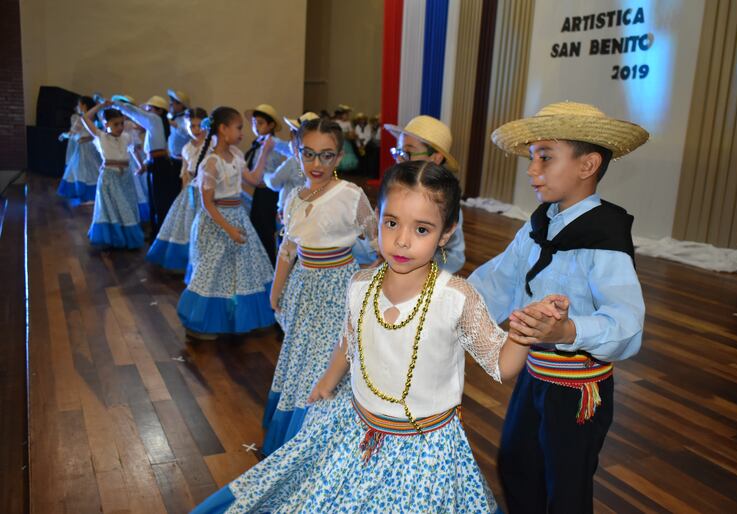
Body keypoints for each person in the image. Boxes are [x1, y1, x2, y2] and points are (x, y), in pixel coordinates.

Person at [190, 161, 540, 514]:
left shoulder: (456, 297)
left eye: (421, 229)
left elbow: (501, 365)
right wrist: (328, 381)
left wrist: (524, 333)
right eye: (391, 223)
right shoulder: (359, 285)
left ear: (445, 233)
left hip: (425, 453)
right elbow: (351, 339)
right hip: (358, 430)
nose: (402, 240)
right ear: (378, 216)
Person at [468, 101, 649, 514]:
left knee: (565, 488)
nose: (533, 170)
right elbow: (496, 281)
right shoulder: (538, 226)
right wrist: (441, 301)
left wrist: (567, 332)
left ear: (588, 166)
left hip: (578, 390)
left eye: (545, 157)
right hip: (534, 376)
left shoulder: (605, 237)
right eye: (533, 158)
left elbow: (628, 324)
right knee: (516, 465)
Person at [261, 118, 378, 455]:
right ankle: (297, 428)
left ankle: (322, 434)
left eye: (326, 156)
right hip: (303, 288)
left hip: (337, 289)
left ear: (339, 158)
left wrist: (368, 274)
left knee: (327, 359)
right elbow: (288, 248)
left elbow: (375, 241)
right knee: (300, 354)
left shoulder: (350, 195)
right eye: (309, 154)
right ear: (297, 153)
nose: (317, 164)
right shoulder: (293, 198)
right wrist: (276, 290)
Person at [177, 107, 275, 338]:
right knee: (211, 272)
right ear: (222, 129)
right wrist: (228, 228)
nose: (242, 132)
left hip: (237, 217)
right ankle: (198, 323)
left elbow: (254, 178)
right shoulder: (210, 163)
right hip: (217, 223)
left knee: (238, 272)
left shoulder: (237, 156)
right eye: (238, 127)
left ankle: (232, 318)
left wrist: (264, 153)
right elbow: (208, 203)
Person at [384, 115, 466, 273]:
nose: (400, 159)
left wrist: (420, 267)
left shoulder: (444, 205)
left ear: (435, 158)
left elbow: (455, 257)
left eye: (407, 153)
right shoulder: (393, 194)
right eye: (398, 151)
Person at [146, 107, 208, 271]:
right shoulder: (187, 148)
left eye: (199, 125)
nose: (196, 130)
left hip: (208, 191)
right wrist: (184, 193)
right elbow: (185, 174)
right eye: (192, 126)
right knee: (187, 225)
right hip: (191, 191)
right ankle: (188, 261)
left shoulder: (211, 145)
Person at [79, 100, 143, 249]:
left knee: (127, 207)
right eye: (116, 124)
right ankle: (113, 239)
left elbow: (133, 150)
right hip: (109, 177)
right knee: (112, 208)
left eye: (121, 123)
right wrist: (101, 106)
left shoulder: (126, 137)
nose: (120, 127)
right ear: (106, 124)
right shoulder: (101, 136)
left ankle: (126, 239)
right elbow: (85, 118)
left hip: (125, 176)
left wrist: (141, 165)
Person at [113, 95, 178, 236]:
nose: (147, 110)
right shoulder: (159, 121)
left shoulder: (154, 119)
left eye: (150, 108)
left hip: (158, 162)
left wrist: (117, 104)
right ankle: (157, 231)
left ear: (159, 111)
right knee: (156, 199)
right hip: (157, 162)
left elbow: (135, 113)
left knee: (158, 199)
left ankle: (159, 233)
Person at [242, 104, 287, 264]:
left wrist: (263, 181)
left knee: (265, 230)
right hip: (260, 191)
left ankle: (269, 265)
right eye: (254, 122)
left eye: (260, 123)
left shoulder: (273, 143)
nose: (255, 126)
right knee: (258, 228)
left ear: (271, 125)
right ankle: (261, 266)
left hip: (269, 191)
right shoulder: (259, 142)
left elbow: (276, 169)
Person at [57, 96, 101, 204]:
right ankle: (87, 195)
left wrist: (66, 135)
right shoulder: (82, 118)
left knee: (90, 169)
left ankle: (92, 196)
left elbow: (73, 132)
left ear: (84, 106)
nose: (77, 107)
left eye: (78, 104)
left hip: (89, 147)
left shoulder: (86, 119)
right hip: (83, 148)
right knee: (83, 171)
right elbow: (75, 134)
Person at [167, 89, 193, 178]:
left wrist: (173, 124)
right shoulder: (172, 117)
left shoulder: (187, 118)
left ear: (181, 105)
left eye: (172, 103)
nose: (170, 105)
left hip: (183, 160)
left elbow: (187, 133)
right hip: (172, 157)